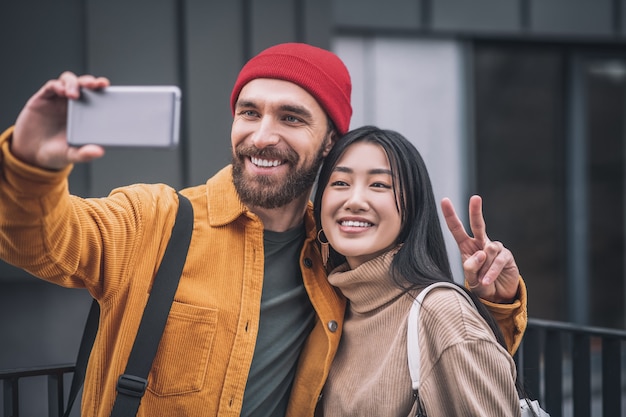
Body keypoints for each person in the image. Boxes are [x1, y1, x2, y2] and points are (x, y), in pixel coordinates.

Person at [0, 43, 527, 417]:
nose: (263, 135)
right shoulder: (155, 220)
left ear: (328, 144)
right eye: (249, 113)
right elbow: (38, 240)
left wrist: (490, 304)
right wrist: (31, 166)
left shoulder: (337, 260)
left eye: (292, 118)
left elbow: (424, 354)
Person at [312, 125, 523, 416]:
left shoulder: (441, 313)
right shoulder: (330, 304)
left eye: (379, 185)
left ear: (412, 207)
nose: (354, 201)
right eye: (340, 183)